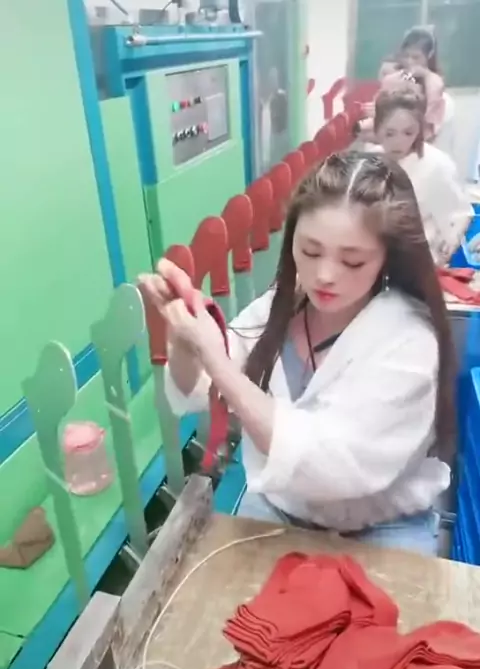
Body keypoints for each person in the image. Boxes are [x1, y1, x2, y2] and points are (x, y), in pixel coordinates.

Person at [139, 151, 456, 557]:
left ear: (387, 257)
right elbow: (199, 390)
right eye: (310, 251)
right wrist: (185, 343)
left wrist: (213, 357)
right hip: (282, 509)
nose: (325, 275)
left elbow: (332, 467)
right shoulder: (283, 307)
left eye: (352, 261)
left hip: (381, 526)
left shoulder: (409, 340)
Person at [374, 85, 472, 265]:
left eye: (408, 133)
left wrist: (446, 250)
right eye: (390, 133)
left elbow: (460, 215)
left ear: (419, 130)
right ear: (376, 128)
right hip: (374, 258)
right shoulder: (371, 160)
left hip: (417, 262)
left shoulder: (436, 165)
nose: (399, 141)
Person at [396, 25, 452, 148]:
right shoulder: (398, 81)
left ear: (429, 57)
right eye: (406, 56)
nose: (409, 62)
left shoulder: (442, 95)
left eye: (416, 57)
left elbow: (429, 130)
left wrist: (427, 76)